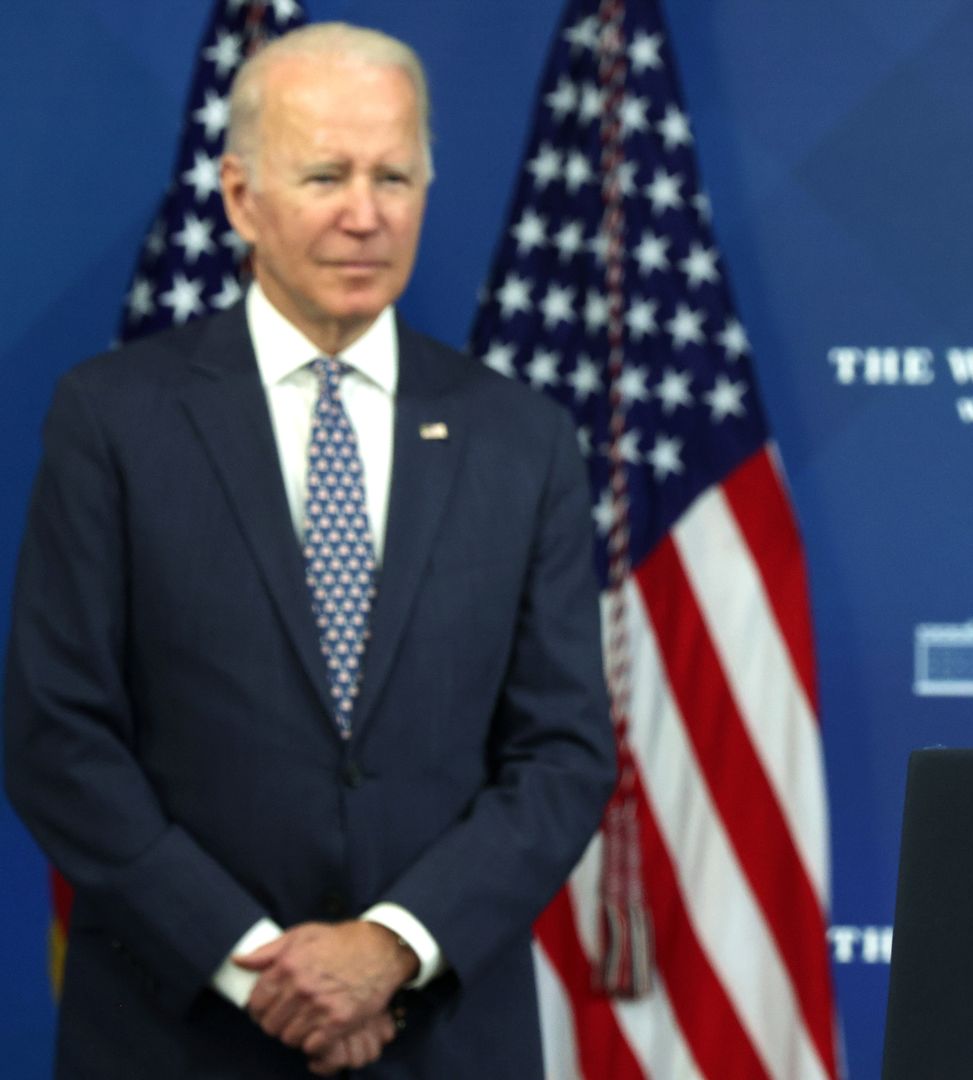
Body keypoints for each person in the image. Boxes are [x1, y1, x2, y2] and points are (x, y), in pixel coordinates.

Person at [4, 23, 616, 1077]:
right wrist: (257, 968)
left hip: (441, 1038)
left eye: (395, 175)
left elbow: (561, 753)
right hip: (177, 1032)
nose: (364, 214)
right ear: (241, 198)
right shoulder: (113, 419)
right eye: (326, 174)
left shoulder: (523, 437)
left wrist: (391, 948)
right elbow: (58, 735)